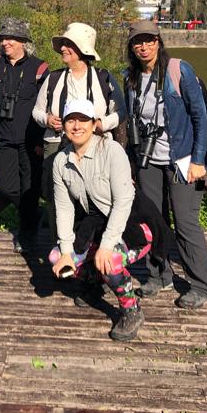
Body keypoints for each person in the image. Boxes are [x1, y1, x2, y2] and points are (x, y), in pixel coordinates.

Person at [50, 100, 171, 341]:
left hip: (135, 223)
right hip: (96, 224)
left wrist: (106, 246)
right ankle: (95, 283)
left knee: (111, 260)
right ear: (63, 126)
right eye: (71, 120)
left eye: (83, 120)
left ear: (94, 124)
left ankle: (131, 309)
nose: (77, 126)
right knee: (57, 257)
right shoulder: (61, 161)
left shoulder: (111, 150)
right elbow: (64, 208)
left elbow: (124, 202)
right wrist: (65, 250)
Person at [123, 19, 207, 309]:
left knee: (186, 223)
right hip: (148, 158)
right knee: (153, 220)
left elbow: (200, 116)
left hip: (181, 158)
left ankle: (202, 285)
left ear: (158, 41)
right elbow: (131, 122)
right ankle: (158, 275)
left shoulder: (178, 70)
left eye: (149, 40)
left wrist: (199, 159)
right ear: (131, 46)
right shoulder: (130, 78)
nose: (144, 46)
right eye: (138, 42)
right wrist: (132, 164)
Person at [32, 22, 126, 241]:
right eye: (63, 44)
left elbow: (121, 111)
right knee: (56, 199)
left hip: (97, 147)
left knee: (96, 197)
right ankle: (61, 246)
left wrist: (103, 124)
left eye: (68, 44)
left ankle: (91, 246)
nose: (63, 48)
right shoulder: (53, 79)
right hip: (57, 145)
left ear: (82, 49)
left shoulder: (103, 78)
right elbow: (36, 111)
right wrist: (47, 120)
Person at [0, 17, 49, 253]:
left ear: (23, 41)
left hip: (31, 141)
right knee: (8, 188)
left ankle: (26, 234)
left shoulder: (40, 68)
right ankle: (35, 214)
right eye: (2, 38)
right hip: (5, 139)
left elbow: (48, 105)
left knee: (30, 188)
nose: (5, 42)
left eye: (10, 38)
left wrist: (42, 140)